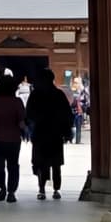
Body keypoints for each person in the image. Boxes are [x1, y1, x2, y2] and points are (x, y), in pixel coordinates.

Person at [26, 68, 73, 200]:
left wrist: (31, 126)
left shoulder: (35, 95)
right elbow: (67, 115)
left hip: (40, 132)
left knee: (41, 163)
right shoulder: (59, 94)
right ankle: (56, 189)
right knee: (56, 163)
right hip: (55, 133)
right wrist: (67, 131)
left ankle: (41, 189)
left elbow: (29, 113)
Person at [0, 74, 26, 203]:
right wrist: (24, 132)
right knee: (13, 165)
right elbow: (22, 121)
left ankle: (2, 187)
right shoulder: (17, 102)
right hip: (13, 139)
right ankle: (11, 191)